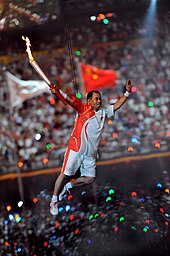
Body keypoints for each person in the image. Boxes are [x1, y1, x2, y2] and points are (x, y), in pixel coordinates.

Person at [50, 80, 132, 215]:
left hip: (91, 154)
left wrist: (127, 92)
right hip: (76, 149)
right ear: (89, 101)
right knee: (64, 174)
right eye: (96, 99)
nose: (99, 101)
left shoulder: (103, 112)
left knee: (89, 179)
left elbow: (117, 105)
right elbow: (69, 99)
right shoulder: (82, 108)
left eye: (99, 99)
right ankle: (54, 200)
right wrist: (57, 91)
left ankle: (68, 187)